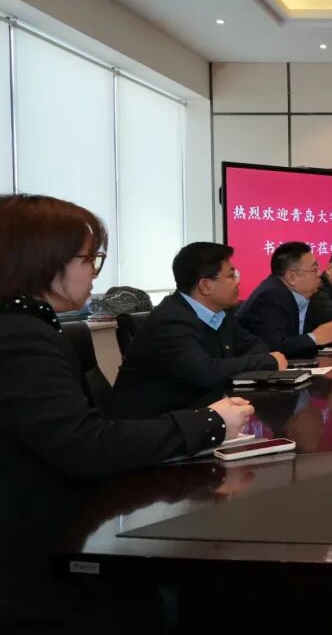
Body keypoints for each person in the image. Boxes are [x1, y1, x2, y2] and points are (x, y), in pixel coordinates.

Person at [0, 194, 253, 632]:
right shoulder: (20, 337)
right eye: (89, 259)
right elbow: (85, 445)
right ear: (44, 261)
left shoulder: (27, 326)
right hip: (39, 559)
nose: (95, 273)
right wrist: (210, 423)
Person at [113, 242, 287, 419]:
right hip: (154, 423)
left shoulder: (221, 313)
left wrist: (250, 361)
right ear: (205, 285)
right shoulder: (170, 320)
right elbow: (206, 372)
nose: (238, 282)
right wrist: (268, 361)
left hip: (198, 411)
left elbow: (255, 345)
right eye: (231, 276)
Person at [236, 241, 332, 359]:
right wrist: (315, 337)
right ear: (291, 277)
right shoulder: (270, 296)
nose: (320, 274)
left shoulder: (305, 295)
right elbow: (276, 348)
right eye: (314, 269)